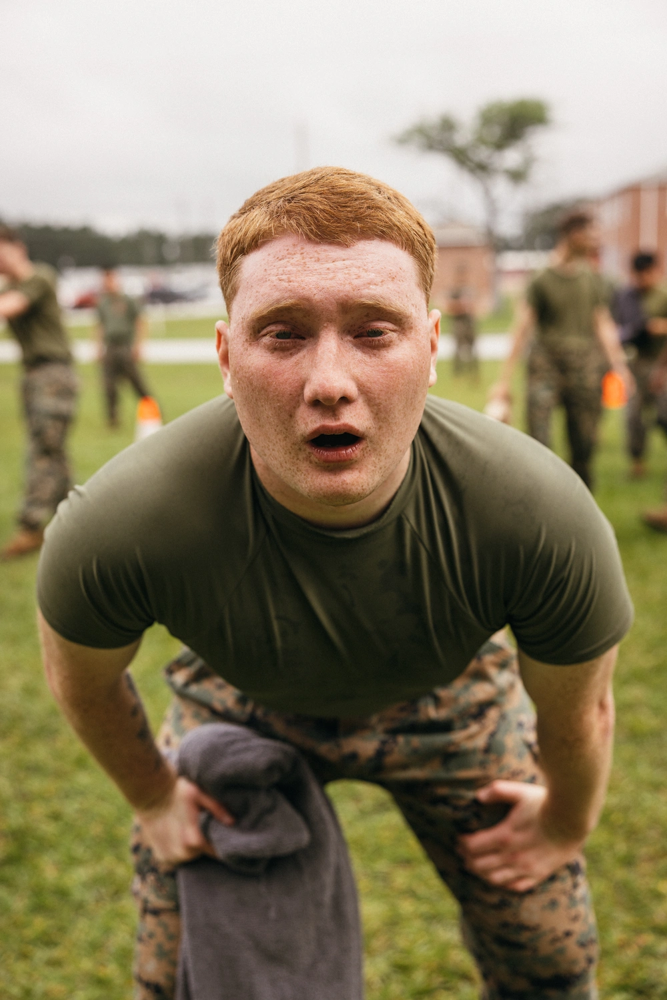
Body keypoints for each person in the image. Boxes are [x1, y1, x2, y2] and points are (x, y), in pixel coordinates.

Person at [37, 168, 633, 1000]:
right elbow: (82, 681)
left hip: (451, 699)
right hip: (240, 696)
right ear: (224, 355)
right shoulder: (123, 523)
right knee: (171, 979)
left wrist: (565, 818)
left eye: (373, 331)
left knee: (551, 961)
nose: (328, 383)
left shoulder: (536, 515)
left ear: (430, 347)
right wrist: (152, 796)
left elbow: (583, 712)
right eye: (281, 333)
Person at [488, 211, 633, 490]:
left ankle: (581, 500)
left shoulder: (591, 278)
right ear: (574, 235)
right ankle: (544, 496)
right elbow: (522, 327)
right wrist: (503, 380)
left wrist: (620, 365)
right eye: (591, 233)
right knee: (538, 437)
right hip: (546, 365)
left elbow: (602, 323)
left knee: (584, 442)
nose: (596, 239)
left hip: (584, 368)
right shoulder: (542, 279)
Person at [0, 225, 78, 560]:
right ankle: (74, 518)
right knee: (53, 450)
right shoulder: (11, 285)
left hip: (53, 374)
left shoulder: (39, 277)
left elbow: (11, 307)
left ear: (15, 246)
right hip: (35, 375)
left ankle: (31, 526)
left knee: (43, 450)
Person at [611, 251, 667, 479]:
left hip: (661, 362)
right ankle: (637, 462)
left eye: (648, 274)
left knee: (664, 414)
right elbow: (615, 325)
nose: (643, 279)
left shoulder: (663, 296)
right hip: (635, 362)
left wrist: (658, 326)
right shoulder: (625, 296)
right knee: (633, 417)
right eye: (639, 275)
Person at [95, 267, 151, 427]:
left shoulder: (127, 300)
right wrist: (98, 347)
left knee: (137, 382)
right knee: (109, 385)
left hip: (125, 346)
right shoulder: (103, 302)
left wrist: (138, 345)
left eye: (110, 278)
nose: (107, 282)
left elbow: (139, 321)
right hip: (110, 347)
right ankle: (112, 419)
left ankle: (152, 410)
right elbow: (100, 325)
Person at [446, 268, 478, 376]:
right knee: (458, 349)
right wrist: (460, 305)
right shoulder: (454, 291)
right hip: (459, 322)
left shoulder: (469, 290)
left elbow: (476, 306)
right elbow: (449, 307)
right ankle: (458, 373)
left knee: (472, 348)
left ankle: (472, 371)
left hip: (469, 322)